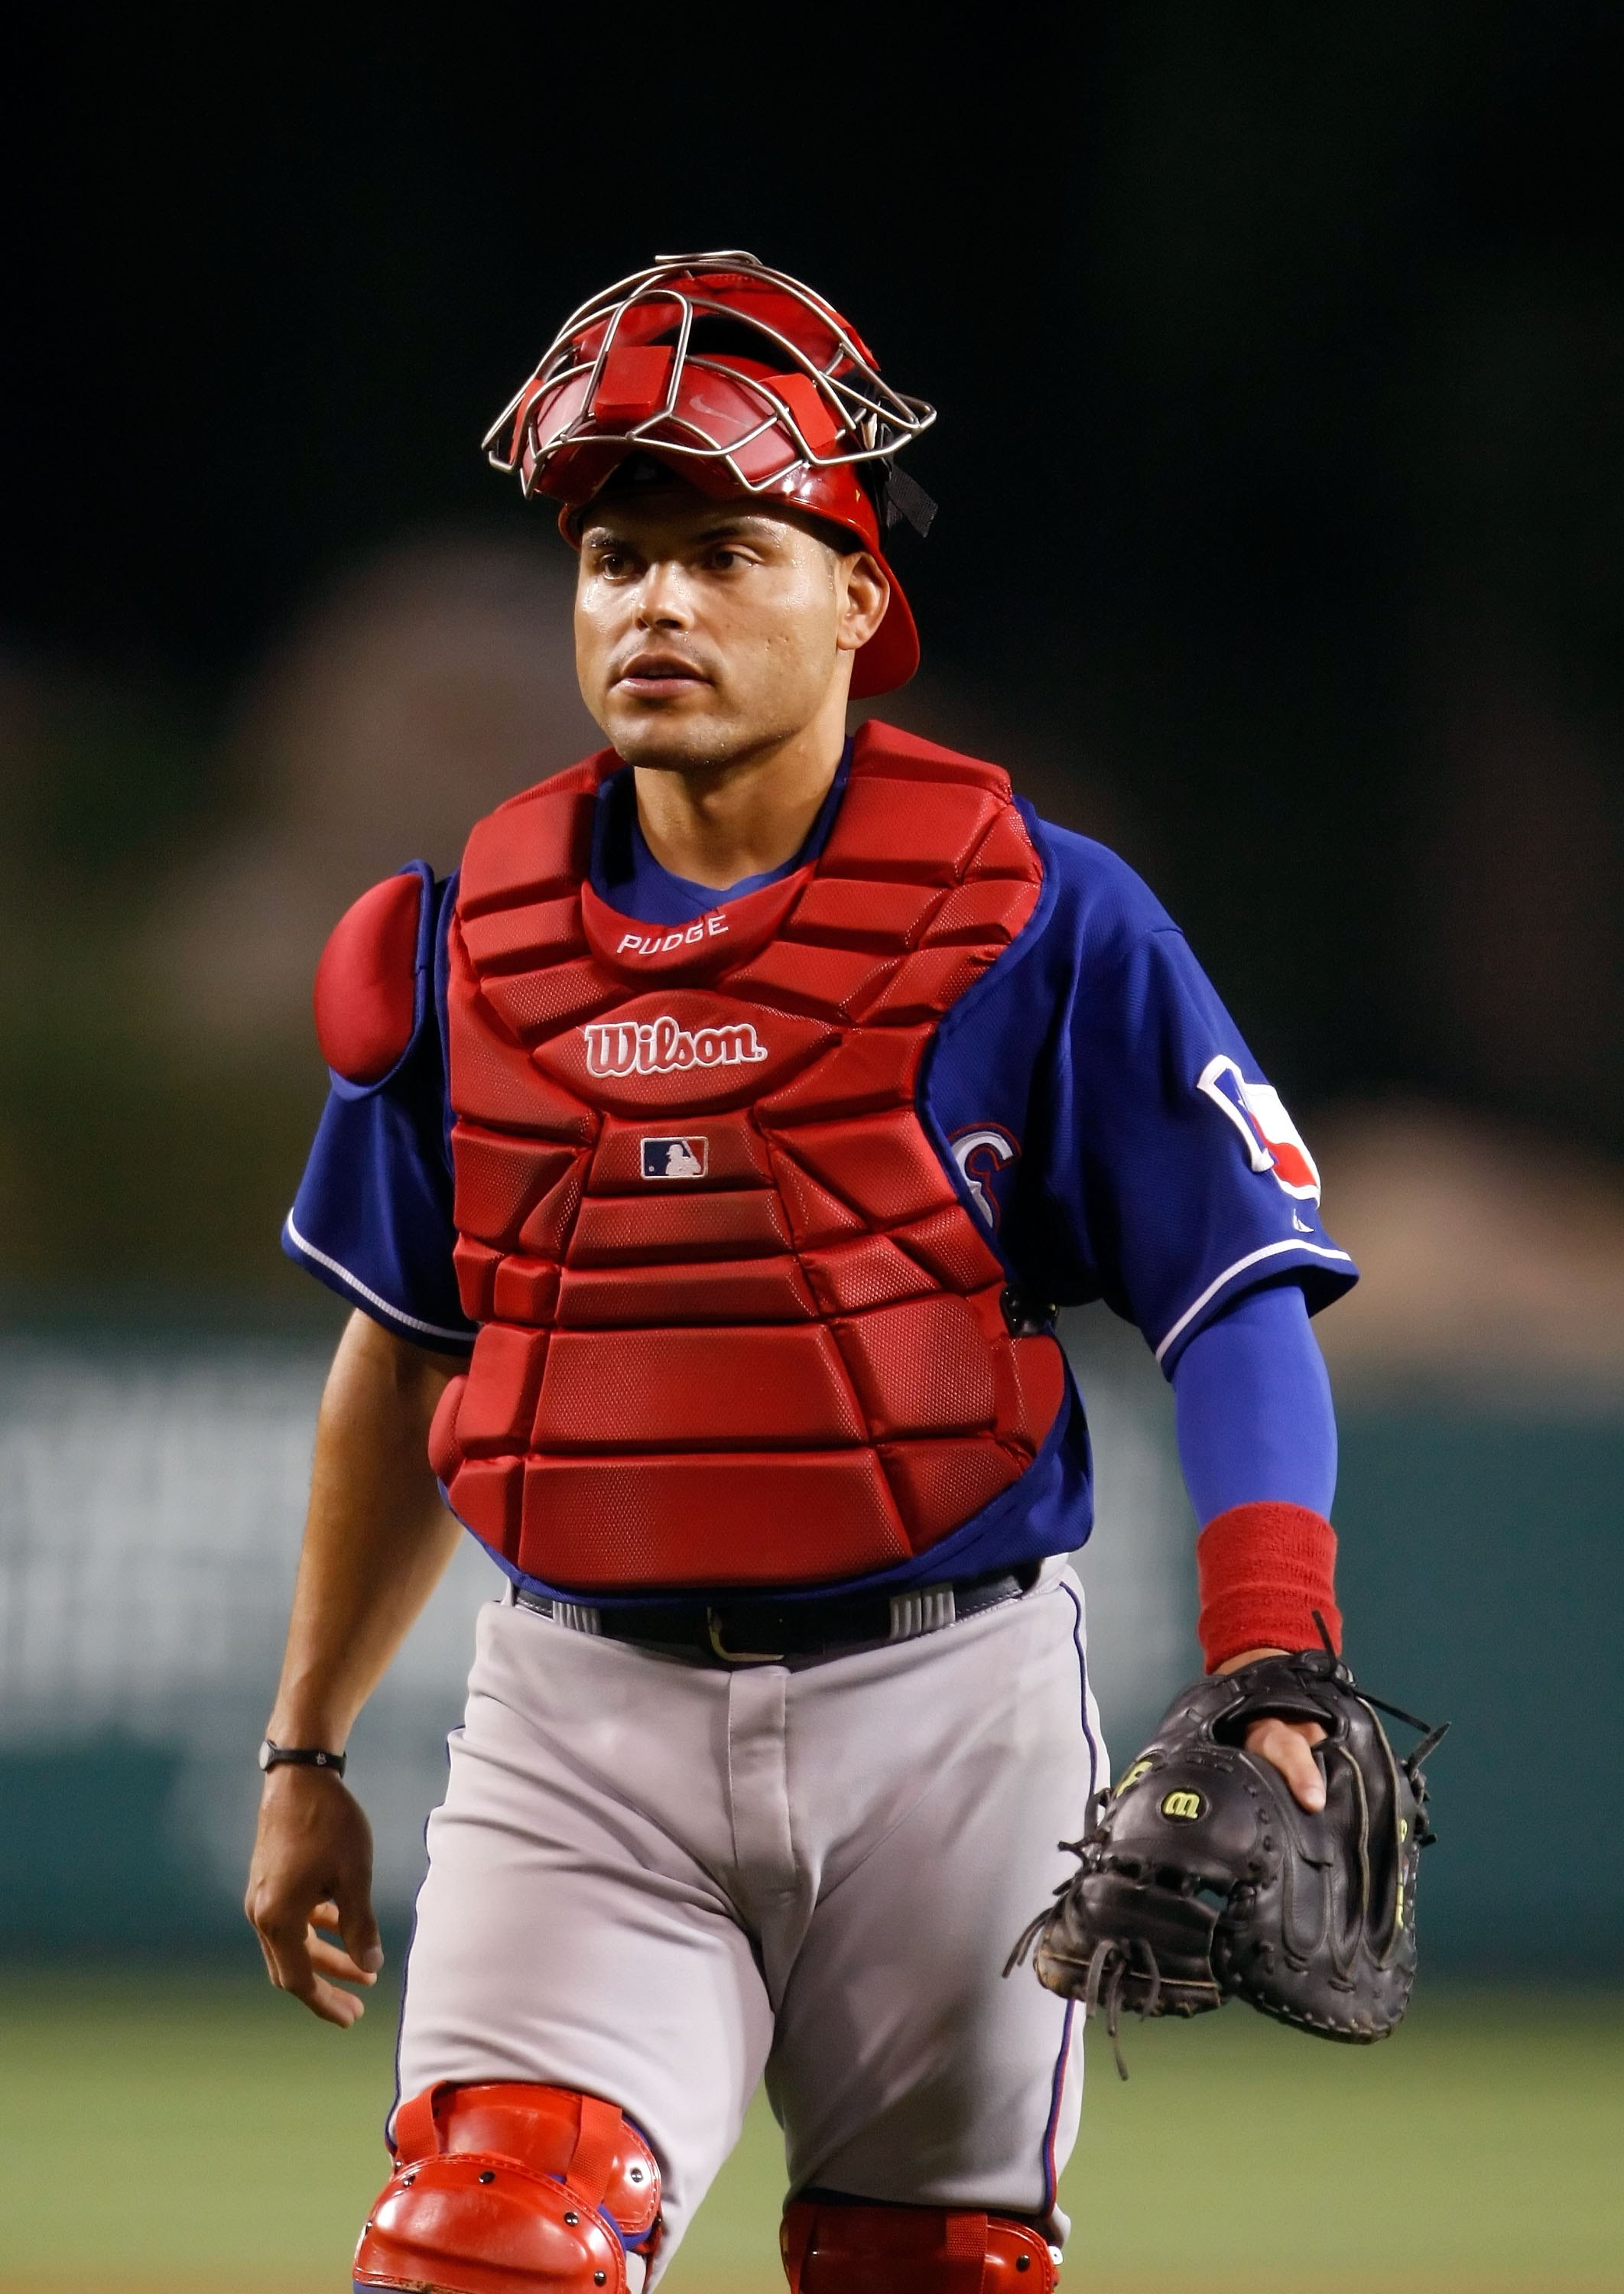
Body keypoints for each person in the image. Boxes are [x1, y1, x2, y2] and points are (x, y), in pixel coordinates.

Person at [246, 252, 1356, 2294]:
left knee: (923, 2273)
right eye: (613, 559)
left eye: (721, 552)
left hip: (944, 1705)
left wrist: (1271, 1664)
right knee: (479, 2247)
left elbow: (1234, 1292)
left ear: (856, 596)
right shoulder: (455, 940)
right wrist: (305, 1749)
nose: (652, 605)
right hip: (579, 1711)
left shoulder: (1037, 911)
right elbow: (403, 1362)